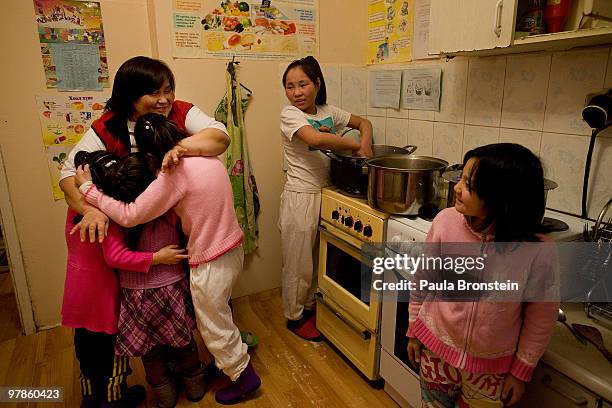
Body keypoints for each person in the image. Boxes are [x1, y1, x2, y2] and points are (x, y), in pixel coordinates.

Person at [59, 56, 229, 408]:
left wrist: (180, 148)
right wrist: (91, 209)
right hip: (123, 228)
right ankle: (136, 384)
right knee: (113, 318)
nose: (165, 99)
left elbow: (220, 136)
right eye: (153, 92)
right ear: (130, 96)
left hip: (170, 226)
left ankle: (201, 366)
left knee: (191, 304)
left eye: (168, 89)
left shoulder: (182, 113)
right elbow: (67, 174)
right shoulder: (108, 127)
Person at [74, 113, 261, 405]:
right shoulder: (208, 158)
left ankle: (244, 376)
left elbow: (130, 215)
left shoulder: (172, 173)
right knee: (220, 314)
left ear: (149, 152)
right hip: (233, 247)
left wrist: (89, 191)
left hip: (211, 259)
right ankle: (229, 360)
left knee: (212, 325)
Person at [406, 143, 560, 407]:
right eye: (461, 179)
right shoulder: (445, 221)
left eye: (469, 185)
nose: (456, 187)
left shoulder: (538, 251)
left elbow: (541, 317)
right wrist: (413, 329)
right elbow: (423, 278)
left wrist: (521, 370)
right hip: (435, 352)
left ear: (501, 198)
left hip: (491, 370)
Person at [75, 150, 204, 408]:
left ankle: (172, 395)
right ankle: (192, 389)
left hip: (144, 295)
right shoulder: (161, 211)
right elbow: (114, 257)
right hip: (164, 290)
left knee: (152, 351)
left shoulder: (117, 216)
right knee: (181, 344)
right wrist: (156, 258)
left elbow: (114, 257)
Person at [279, 56, 374, 341]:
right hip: (301, 196)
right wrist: (354, 143)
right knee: (298, 262)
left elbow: (364, 122)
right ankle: (294, 317)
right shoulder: (290, 114)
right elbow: (316, 140)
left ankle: (310, 307)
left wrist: (366, 144)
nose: (296, 92)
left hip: (328, 192)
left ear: (317, 84)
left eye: (303, 84)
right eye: (290, 86)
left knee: (319, 258)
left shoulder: (328, 111)